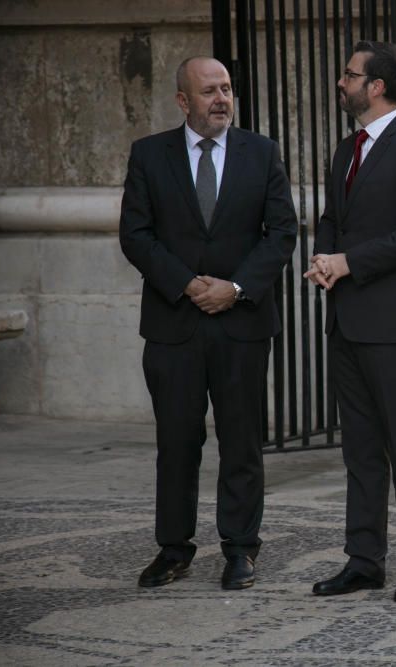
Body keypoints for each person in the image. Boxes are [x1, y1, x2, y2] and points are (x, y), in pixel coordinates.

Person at [119, 56, 297, 590]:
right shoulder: (149, 155)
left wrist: (236, 287)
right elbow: (136, 234)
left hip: (240, 322)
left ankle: (241, 548)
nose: (222, 99)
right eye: (209, 91)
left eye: (226, 89)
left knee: (242, 440)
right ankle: (173, 548)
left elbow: (281, 231)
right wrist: (188, 283)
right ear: (183, 101)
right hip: (175, 323)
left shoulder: (260, 152)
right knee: (176, 441)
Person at [304, 41, 396, 603]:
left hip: (394, 326)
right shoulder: (345, 150)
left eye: (349, 74)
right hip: (346, 323)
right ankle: (364, 560)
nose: (341, 82)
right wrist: (323, 257)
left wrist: (350, 263)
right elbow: (331, 218)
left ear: (377, 86)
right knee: (359, 452)